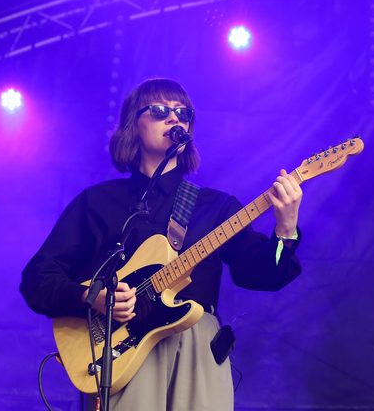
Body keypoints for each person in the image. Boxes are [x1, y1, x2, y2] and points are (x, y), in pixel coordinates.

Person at [20, 77, 304, 411]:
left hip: (197, 348)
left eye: (183, 114)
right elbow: (37, 280)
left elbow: (260, 276)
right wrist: (90, 297)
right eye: (159, 111)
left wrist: (285, 229)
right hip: (121, 351)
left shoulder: (216, 206)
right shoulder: (97, 202)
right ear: (132, 125)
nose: (174, 119)